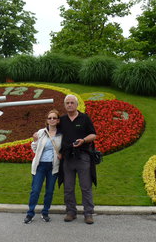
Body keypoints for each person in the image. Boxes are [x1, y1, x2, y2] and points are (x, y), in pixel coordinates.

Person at [59, 94, 97, 225]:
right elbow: (52, 130)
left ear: (76, 104)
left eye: (71, 103)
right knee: (68, 187)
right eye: (67, 103)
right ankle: (71, 212)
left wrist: (84, 140)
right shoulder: (62, 120)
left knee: (85, 187)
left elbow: (93, 135)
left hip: (83, 156)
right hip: (68, 158)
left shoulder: (84, 118)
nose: (69, 105)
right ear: (64, 105)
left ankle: (88, 213)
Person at [24, 109, 62, 224]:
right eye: (50, 118)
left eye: (54, 118)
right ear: (47, 120)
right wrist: (35, 141)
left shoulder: (61, 134)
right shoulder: (41, 132)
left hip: (53, 166)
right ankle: (30, 213)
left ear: (58, 120)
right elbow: (35, 149)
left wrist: (62, 154)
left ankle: (45, 212)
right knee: (35, 190)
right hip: (40, 166)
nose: (52, 120)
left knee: (49, 191)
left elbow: (64, 148)